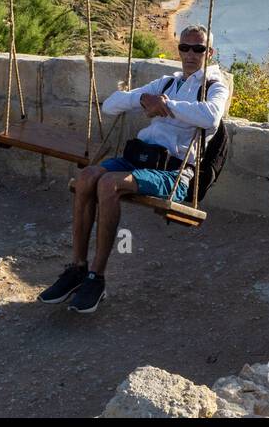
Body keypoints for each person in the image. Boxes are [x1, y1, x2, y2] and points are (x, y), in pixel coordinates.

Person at [38, 24, 230, 313]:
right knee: (86, 177)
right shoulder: (166, 82)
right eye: (184, 47)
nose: (190, 54)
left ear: (209, 52)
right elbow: (112, 105)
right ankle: (77, 267)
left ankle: (96, 277)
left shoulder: (214, 87)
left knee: (108, 184)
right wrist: (143, 99)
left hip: (173, 171)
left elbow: (211, 117)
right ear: (179, 49)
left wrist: (167, 106)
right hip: (140, 158)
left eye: (198, 49)